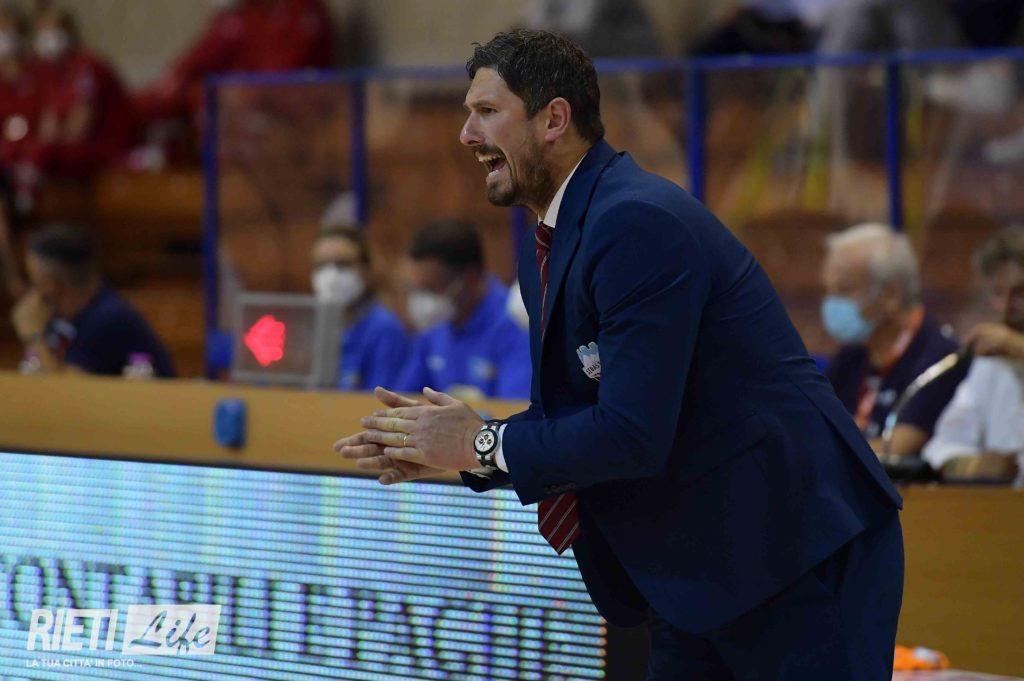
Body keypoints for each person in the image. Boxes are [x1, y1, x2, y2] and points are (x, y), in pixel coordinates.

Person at [336, 29, 903, 681]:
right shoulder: (553, 241)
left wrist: (481, 443)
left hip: (793, 548)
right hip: (701, 566)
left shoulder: (637, 222)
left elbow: (631, 432)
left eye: (487, 111)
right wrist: (454, 446)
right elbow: (576, 418)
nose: (466, 134)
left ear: (554, 119)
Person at [821, 223, 964, 457]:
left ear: (891, 295)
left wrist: (823, 457)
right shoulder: (850, 357)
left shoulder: (940, 356)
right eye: (828, 290)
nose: (831, 303)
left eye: (844, 290)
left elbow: (898, 450)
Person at [922, 227, 1024, 484]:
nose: (1006, 308)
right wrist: (974, 466)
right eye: (998, 293)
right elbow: (942, 447)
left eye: (1021, 293)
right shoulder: (991, 364)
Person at [11, 223, 175, 377]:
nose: (31, 289)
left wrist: (33, 335)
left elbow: (64, 389)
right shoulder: (56, 316)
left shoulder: (111, 318)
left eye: (33, 279)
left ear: (50, 283)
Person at [392, 219, 531, 400]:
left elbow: (516, 408)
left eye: (432, 289)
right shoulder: (433, 328)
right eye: (418, 290)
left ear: (470, 276)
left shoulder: (517, 324)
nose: (424, 302)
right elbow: (401, 399)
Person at [23, 8, 134, 179]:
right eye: (42, 34)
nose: (47, 40)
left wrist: (49, 148)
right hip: (75, 145)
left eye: (52, 32)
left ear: (69, 34)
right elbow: (48, 125)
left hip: (108, 146)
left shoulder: (87, 67)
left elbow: (79, 128)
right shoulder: (51, 74)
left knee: (44, 155)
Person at [310, 224, 408, 391]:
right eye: (321, 265)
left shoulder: (384, 329)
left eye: (343, 264)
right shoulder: (310, 326)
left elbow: (380, 399)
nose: (331, 275)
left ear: (366, 271)